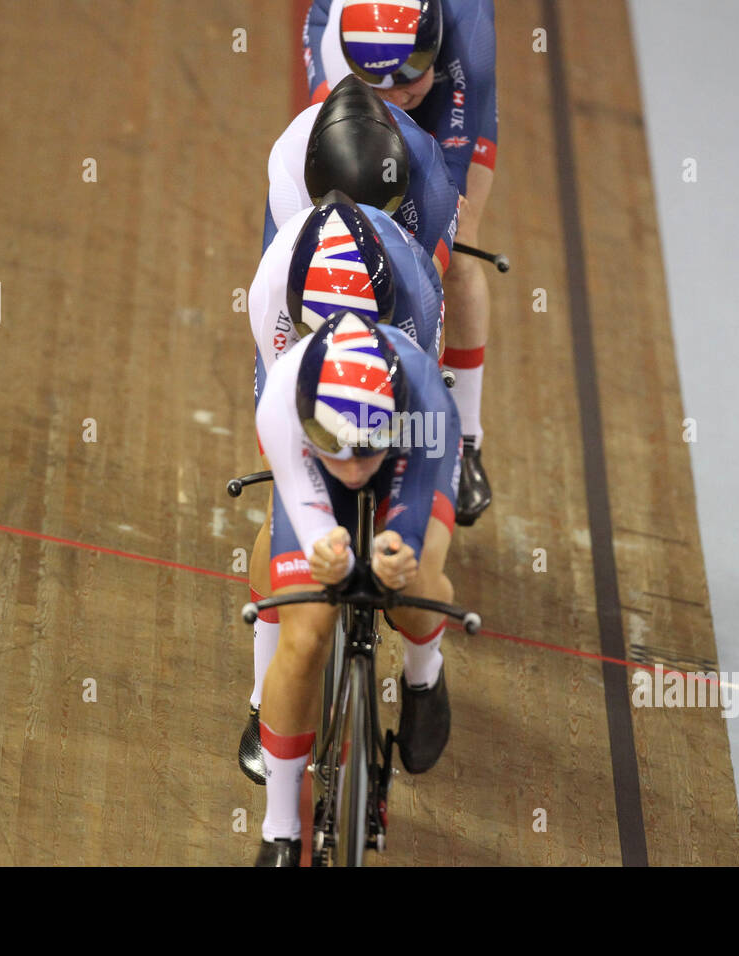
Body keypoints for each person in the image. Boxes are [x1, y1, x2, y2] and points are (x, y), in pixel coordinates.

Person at [239, 193, 445, 787]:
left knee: (410, 544)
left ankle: (424, 674)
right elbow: (286, 429)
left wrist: (399, 530)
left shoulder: (415, 298)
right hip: (306, 377)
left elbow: (421, 419)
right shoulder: (274, 294)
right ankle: (262, 695)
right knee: (284, 498)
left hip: (390, 379)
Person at [252, 311, 462, 867]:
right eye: (335, 447)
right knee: (305, 635)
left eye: (366, 450)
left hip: (409, 463)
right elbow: (309, 510)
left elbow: (413, 511)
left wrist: (400, 546)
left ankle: (424, 674)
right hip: (310, 478)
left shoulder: (424, 403)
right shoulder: (281, 400)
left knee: (414, 578)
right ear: (309, 419)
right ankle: (279, 830)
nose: (351, 471)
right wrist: (327, 551)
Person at [304, 0, 497, 526]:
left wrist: (433, 247)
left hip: (451, 102)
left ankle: (465, 437)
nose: (393, 97)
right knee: (332, 231)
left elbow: (449, 173)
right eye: (379, 83)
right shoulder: (335, 31)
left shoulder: (466, 30)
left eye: (409, 78)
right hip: (353, 94)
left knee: (458, 250)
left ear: (432, 47)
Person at [262, 74, 459, 280]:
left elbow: (420, 287)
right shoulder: (291, 184)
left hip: (409, 202)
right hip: (314, 207)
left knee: (417, 277)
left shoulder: (428, 179)